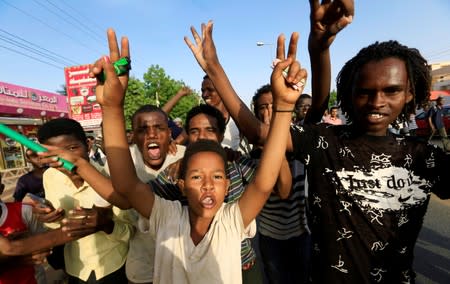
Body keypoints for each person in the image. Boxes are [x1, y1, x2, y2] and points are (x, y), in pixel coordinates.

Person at [40, 26, 306, 283]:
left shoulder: (232, 220)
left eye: (216, 176)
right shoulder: (167, 217)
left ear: (228, 185)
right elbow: (127, 186)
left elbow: (265, 181)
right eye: (196, 177)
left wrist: (283, 108)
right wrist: (111, 106)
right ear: (180, 182)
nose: (207, 184)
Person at [287, 1, 450, 282]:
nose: (377, 102)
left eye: (392, 90)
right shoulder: (324, 143)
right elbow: (260, 134)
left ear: (409, 94)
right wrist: (319, 49)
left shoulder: (424, 156)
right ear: (350, 94)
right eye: (365, 92)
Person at [152, 104, 264, 283]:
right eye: (194, 131)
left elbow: (272, 186)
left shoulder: (237, 163)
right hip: (197, 269)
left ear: (220, 135)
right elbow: (140, 197)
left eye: (209, 130)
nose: (202, 136)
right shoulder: (174, 172)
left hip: (243, 265)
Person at [37, 118, 132, 283]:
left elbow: (131, 233)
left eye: (72, 148)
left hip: (114, 267)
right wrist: (50, 218)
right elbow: (55, 227)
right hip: (75, 268)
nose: (65, 159)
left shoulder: (110, 180)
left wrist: (106, 224)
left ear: (88, 145)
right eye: (55, 154)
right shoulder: (50, 176)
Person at [105, 104, 185, 284]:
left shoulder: (187, 158)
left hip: (184, 264)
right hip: (142, 265)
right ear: (133, 136)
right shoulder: (120, 164)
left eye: (159, 128)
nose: (152, 135)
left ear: (170, 133)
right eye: (142, 130)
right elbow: (111, 213)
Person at [250, 84, 311, 283]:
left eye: (273, 105)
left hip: (300, 232)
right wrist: (271, 142)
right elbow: (282, 190)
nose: (268, 111)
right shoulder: (253, 156)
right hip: (270, 237)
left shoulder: (300, 140)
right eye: (262, 107)